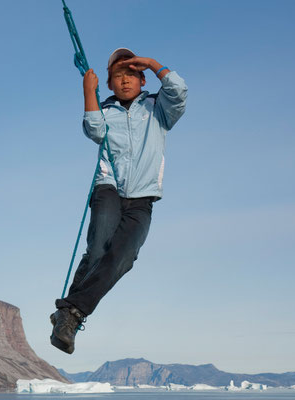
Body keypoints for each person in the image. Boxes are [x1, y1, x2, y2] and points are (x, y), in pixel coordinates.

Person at [50, 48, 188, 354]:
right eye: (117, 76)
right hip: (108, 188)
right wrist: (88, 92)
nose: (124, 81)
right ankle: (71, 316)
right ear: (110, 84)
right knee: (98, 249)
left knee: (124, 257)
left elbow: (178, 92)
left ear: (142, 79)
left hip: (142, 197)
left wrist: (153, 64)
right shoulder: (107, 110)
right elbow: (94, 131)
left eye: (131, 74)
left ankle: (68, 311)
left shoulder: (157, 108)